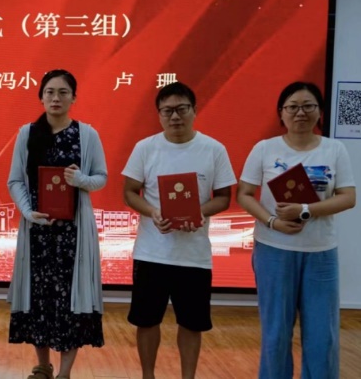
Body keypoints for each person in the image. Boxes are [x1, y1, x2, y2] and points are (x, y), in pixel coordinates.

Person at [237, 82, 356, 379]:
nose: (300, 113)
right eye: (292, 107)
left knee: (322, 335)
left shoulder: (334, 149)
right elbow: (245, 194)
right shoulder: (265, 149)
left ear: (319, 111)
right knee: (276, 333)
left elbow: (348, 197)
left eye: (308, 106)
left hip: (320, 253)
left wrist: (305, 209)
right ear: (281, 113)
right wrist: (272, 221)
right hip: (273, 251)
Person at [122, 82, 236, 379]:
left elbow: (224, 197)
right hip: (151, 253)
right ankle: (148, 376)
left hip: (194, 256)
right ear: (159, 115)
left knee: (192, 324)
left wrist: (199, 213)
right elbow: (130, 191)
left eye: (181, 109)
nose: (175, 116)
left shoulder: (214, 149)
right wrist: (153, 212)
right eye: (167, 111)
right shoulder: (145, 148)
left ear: (194, 110)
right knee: (147, 321)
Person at [7, 69, 107, 379]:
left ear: (73, 97)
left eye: (63, 92)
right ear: (41, 97)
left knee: (70, 299)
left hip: (73, 234)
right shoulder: (27, 133)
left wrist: (81, 180)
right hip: (37, 231)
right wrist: (28, 212)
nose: (56, 98)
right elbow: (15, 181)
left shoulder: (87, 135)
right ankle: (43, 366)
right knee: (38, 297)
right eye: (50, 92)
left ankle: (64, 372)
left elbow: (101, 178)